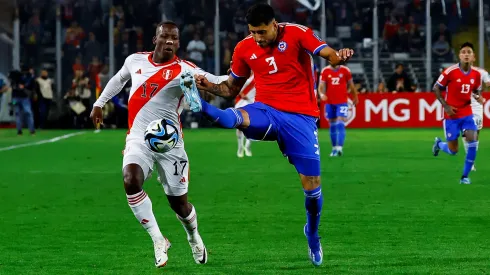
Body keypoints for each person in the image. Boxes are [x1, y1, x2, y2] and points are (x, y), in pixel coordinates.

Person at [193, 3, 353, 266]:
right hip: (265, 110)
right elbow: (231, 88)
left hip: (300, 118)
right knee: (235, 118)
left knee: (312, 189)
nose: (257, 37)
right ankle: (200, 106)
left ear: (274, 24)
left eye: (262, 32)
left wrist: (339, 56)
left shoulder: (297, 33)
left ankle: (312, 233)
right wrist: (208, 86)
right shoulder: (244, 48)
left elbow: (329, 55)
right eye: (253, 32)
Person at [90, 21, 227, 268]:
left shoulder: (185, 69)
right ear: (155, 39)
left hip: (170, 145)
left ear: (179, 43)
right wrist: (99, 103)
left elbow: (219, 81)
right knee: (130, 180)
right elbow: (119, 79)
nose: (170, 42)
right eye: (165, 37)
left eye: (174, 38)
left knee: (180, 205)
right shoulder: (135, 61)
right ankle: (158, 239)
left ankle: (193, 237)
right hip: (139, 138)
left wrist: (242, 75)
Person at [432, 42, 483, 184]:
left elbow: (475, 89)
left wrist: (478, 96)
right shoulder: (450, 72)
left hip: (467, 113)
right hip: (451, 115)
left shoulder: (476, 75)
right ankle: (439, 145)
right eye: (464, 52)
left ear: (473, 57)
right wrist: (446, 106)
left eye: (469, 52)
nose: (466, 54)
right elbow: (436, 88)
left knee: (473, 141)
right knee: (453, 150)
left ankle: (465, 176)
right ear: (459, 56)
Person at [318, 64, 359, 156]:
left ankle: (340, 148)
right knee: (332, 125)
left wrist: (355, 96)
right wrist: (321, 94)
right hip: (330, 102)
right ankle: (334, 148)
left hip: (342, 102)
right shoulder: (325, 71)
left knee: (340, 123)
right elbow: (321, 85)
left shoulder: (345, 70)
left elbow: (351, 85)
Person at [464, 58, 489, 171]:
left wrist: (479, 92)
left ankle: (471, 160)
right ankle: (470, 162)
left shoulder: (481, 72)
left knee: (476, 134)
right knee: (467, 133)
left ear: (473, 59)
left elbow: (488, 83)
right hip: (463, 105)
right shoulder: (457, 72)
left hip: (477, 107)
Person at [235, 73, 256, 157]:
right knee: (239, 125)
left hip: (252, 101)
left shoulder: (257, 74)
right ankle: (240, 147)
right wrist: (240, 93)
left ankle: (247, 146)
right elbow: (235, 85)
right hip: (240, 101)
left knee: (252, 125)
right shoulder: (242, 73)